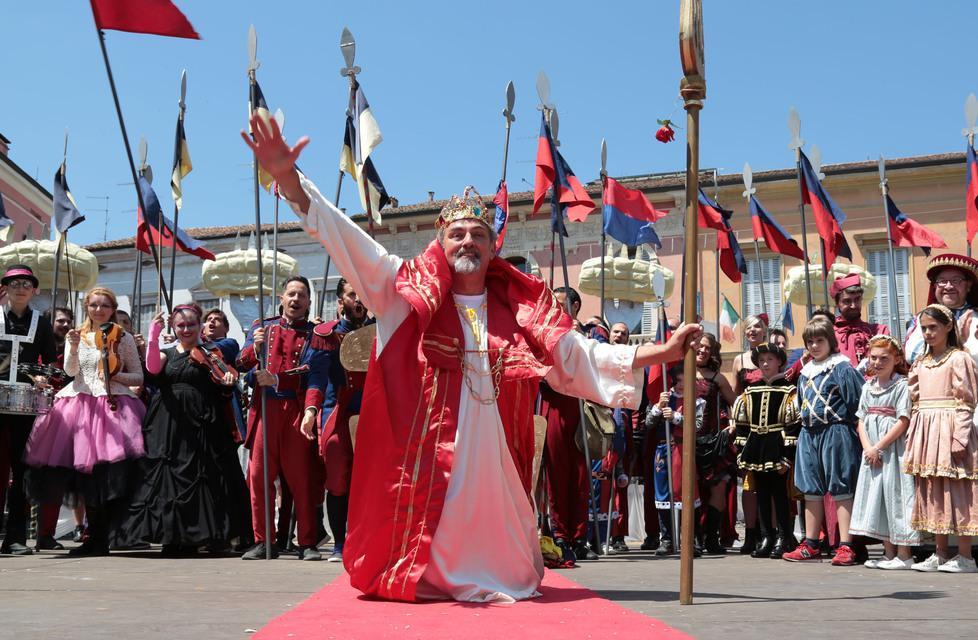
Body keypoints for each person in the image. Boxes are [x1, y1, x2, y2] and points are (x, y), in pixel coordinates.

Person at [241, 114, 699, 603]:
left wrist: (661, 352)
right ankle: (426, 572)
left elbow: (578, 354)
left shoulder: (521, 306)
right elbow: (346, 240)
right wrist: (289, 179)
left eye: (478, 235)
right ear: (441, 243)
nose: (467, 242)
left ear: (491, 245)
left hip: (496, 444)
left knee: (507, 550)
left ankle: (491, 570)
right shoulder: (406, 293)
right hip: (429, 446)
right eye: (457, 234)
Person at [115, 305, 251, 555]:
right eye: (180, 325)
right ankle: (171, 536)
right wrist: (153, 335)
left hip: (203, 422)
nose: (186, 329)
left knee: (204, 476)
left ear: (199, 325)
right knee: (167, 479)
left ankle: (205, 536)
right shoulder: (167, 353)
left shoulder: (212, 352)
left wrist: (228, 384)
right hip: (167, 424)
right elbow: (153, 369)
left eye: (191, 324)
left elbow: (222, 387)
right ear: (174, 327)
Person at [24, 287, 145, 556]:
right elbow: (70, 370)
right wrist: (75, 345)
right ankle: (93, 536)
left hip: (112, 406)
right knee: (83, 477)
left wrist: (115, 376)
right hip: (78, 404)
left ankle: (101, 534)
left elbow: (138, 376)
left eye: (105, 305)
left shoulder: (122, 337)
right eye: (94, 305)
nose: (99, 310)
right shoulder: (76, 335)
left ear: (113, 309)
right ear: (86, 307)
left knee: (106, 476)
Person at [235, 276, 329, 561]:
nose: (295, 299)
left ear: (309, 302)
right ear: (281, 297)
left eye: (301, 295)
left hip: (295, 410)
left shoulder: (317, 335)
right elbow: (242, 365)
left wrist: (308, 407)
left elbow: (314, 374)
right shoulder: (262, 327)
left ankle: (307, 541)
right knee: (259, 476)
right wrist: (256, 348)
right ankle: (264, 541)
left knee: (301, 478)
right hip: (265, 409)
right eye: (291, 294)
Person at [783, 316, 864, 565]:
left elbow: (857, 403)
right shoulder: (805, 372)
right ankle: (811, 543)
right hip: (809, 433)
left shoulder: (842, 367)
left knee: (841, 487)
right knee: (810, 489)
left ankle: (846, 545)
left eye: (819, 340)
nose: (815, 346)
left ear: (830, 340)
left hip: (836, 431)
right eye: (810, 341)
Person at [903, 305, 978, 573]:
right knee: (934, 489)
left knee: (958, 489)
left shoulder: (959, 359)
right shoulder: (921, 362)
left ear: (948, 327)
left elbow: (966, 400)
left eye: (933, 327)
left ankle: (966, 556)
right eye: (924, 328)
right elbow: (914, 399)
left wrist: (960, 437)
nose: (927, 333)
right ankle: (941, 552)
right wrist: (915, 434)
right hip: (927, 430)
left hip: (950, 427)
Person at [540, 286, 601, 561]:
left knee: (579, 476)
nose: (556, 306)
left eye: (561, 302)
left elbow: (596, 364)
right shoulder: (545, 330)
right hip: (554, 405)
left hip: (579, 406)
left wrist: (579, 336)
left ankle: (580, 537)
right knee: (557, 473)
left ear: (575, 305)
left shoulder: (590, 332)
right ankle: (561, 536)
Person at [848, 335, 919, 570]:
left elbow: (903, 420)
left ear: (896, 359)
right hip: (873, 452)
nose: (877, 362)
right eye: (874, 358)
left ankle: (904, 553)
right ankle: (888, 552)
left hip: (892, 450)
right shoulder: (868, 386)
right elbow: (861, 419)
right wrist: (868, 447)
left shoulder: (901, 385)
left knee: (896, 495)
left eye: (884, 358)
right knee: (878, 498)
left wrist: (880, 446)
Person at [0, 265, 57, 556]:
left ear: (34, 290)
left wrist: (42, 375)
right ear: (5, 288)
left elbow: (50, 361)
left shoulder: (42, 323)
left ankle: (15, 538)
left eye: (26, 283)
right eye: (14, 283)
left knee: (22, 472)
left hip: (25, 405)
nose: (20, 288)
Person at [318, 278, 370, 563]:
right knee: (338, 480)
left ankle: (364, 540)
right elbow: (316, 377)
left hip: (372, 414)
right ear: (341, 301)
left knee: (370, 481)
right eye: (352, 295)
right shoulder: (326, 335)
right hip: (338, 413)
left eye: (362, 294)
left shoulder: (382, 330)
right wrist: (312, 412)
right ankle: (339, 544)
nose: (358, 300)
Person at [731, 343, 800, 559]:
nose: (765, 364)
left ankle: (784, 536)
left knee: (780, 494)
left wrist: (787, 457)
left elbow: (793, 424)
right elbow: (742, 423)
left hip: (777, 446)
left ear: (779, 361)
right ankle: (766, 536)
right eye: (761, 360)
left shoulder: (789, 390)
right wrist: (742, 451)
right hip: (756, 446)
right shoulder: (750, 391)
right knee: (760, 493)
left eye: (770, 359)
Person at [34, 306, 84, 551]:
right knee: (32, 481)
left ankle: (47, 534)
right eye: (60, 321)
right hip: (38, 419)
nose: (65, 325)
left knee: (58, 479)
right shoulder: (40, 348)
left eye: (68, 321)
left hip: (68, 421)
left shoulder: (77, 346)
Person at [646, 366, 703, 556]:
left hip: (683, 449)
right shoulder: (662, 399)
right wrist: (658, 408)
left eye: (683, 381)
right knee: (663, 495)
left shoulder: (697, 401)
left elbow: (697, 426)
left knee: (686, 492)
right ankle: (667, 539)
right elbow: (648, 424)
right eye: (676, 381)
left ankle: (691, 539)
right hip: (663, 450)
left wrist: (678, 418)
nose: (679, 385)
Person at [693, 333, 737, 555]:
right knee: (692, 490)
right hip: (687, 441)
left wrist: (734, 424)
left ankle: (712, 536)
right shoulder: (681, 372)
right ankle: (694, 537)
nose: (702, 350)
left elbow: (735, 403)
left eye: (707, 348)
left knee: (718, 487)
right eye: (699, 346)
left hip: (712, 441)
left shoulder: (718, 378)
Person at [905, 253, 978, 365]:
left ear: (968, 286)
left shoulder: (976, 316)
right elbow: (912, 355)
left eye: (956, 280)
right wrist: (959, 346)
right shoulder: (923, 318)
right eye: (942, 281)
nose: (948, 286)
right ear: (935, 286)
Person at [830, 274, 890, 371]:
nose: (853, 306)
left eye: (857, 299)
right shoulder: (829, 334)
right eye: (847, 301)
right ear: (837, 304)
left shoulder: (879, 331)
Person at [732, 314, 768, 394]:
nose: (752, 329)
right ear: (745, 333)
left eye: (757, 326)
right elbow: (735, 393)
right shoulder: (739, 359)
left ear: (764, 332)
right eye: (748, 327)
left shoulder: (774, 356)